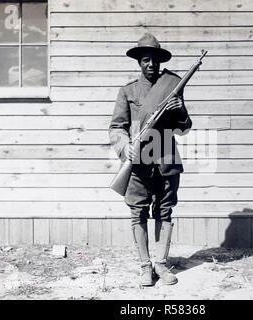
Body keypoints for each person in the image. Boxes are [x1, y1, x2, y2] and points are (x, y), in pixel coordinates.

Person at [109, 33, 192, 286]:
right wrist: (125, 148)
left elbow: (183, 128)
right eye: (146, 60)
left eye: (155, 60)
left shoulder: (172, 86)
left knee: (164, 211)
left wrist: (180, 110)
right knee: (138, 213)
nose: (151, 65)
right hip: (139, 161)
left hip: (166, 158)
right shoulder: (128, 91)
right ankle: (146, 266)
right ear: (139, 62)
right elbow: (116, 127)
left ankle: (162, 264)